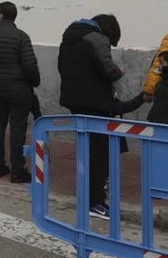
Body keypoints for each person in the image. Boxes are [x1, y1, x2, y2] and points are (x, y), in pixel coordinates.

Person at [57, 14, 142, 221]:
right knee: (99, 154)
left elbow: (62, 68)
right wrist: (120, 71)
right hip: (96, 103)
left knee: (87, 152)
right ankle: (94, 201)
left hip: (74, 100)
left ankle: (90, 195)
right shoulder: (97, 39)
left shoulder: (68, 38)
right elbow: (108, 71)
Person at [0, 2, 41, 181]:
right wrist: (34, 82)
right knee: (18, 128)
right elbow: (30, 65)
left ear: (1, 15)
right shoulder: (21, 37)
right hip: (19, 90)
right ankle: (18, 170)